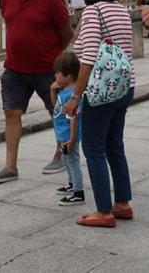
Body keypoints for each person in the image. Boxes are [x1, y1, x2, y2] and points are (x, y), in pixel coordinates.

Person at [0, 0, 72, 184]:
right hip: (15, 68)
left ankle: (61, 153)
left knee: (57, 113)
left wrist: (51, 55)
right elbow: (12, 23)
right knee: (11, 113)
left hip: (46, 68)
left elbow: (66, 33)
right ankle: (10, 166)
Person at [64, 0, 135, 228]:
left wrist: (75, 96)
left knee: (93, 148)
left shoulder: (93, 12)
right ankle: (122, 203)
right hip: (124, 87)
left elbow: (89, 59)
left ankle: (103, 210)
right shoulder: (122, 11)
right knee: (115, 145)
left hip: (100, 91)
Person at [50, 51, 85, 206]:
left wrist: (71, 139)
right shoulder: (64, 91)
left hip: (69, 135)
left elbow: (74, 119)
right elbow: (55, 108)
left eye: (57, 73)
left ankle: (78, 192)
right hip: (62, 133)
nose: (55, 76)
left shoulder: (73, 95)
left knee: (73, 161)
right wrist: (52, 90)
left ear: (69, 75)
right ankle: (71, 184)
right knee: (67, 160)